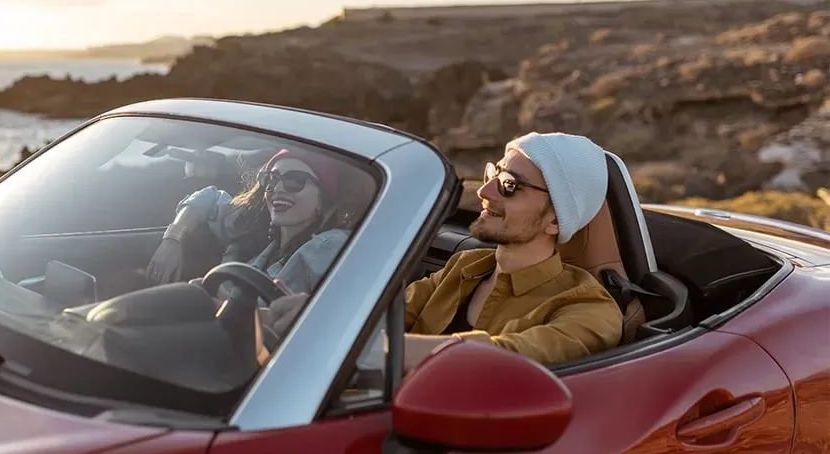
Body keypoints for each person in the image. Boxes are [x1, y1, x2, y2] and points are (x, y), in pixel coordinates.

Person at [403, 132, 624, 370]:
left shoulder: (591, 309)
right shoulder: (464, 266)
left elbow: (503, 359)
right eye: (493, 174)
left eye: (509, 184)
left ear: (556, 221)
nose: (484, 191)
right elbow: (379, 318)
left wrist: (383, 353)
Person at [146, 147, 359, 296]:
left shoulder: (331, 246)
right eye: (272, 179)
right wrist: (173, 239)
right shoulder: (256, 228)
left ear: (324, 199)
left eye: (296, 181)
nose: (278, 188)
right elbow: (208, 197)